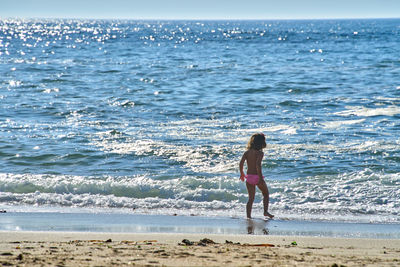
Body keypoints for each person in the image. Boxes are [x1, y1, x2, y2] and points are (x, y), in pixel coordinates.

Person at [239, 133, 274, 219]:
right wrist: (260, 178)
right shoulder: (260, 153)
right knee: (265, 194)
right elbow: (258, 165)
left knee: (251, 199)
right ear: (262, 143)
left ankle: (248, 216)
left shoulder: (246, 153)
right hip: (257, 177)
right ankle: (265, 212)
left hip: (249, 177)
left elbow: (241, 163)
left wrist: (242, 174)